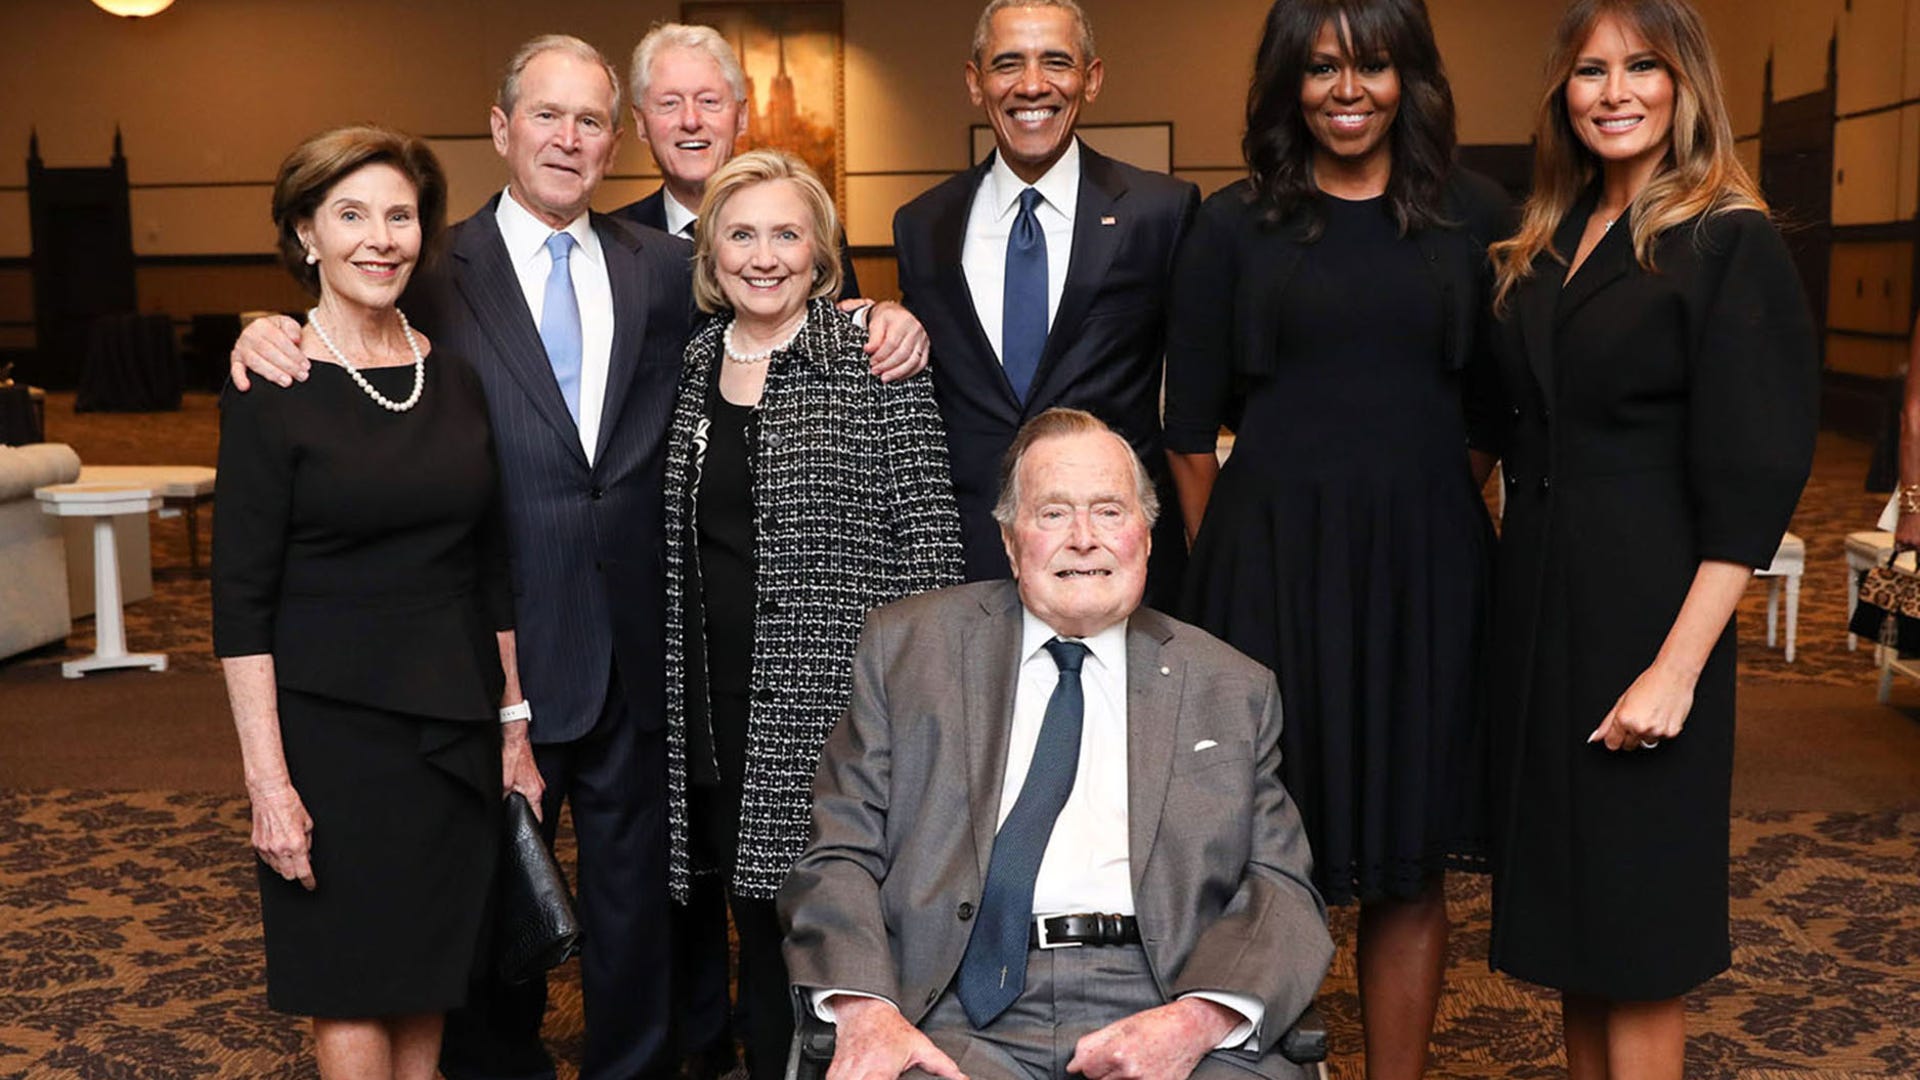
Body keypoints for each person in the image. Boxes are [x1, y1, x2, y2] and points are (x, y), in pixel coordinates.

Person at [228, 35, 692, 1080]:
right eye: (544, 115)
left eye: (589, 120)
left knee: (632, 919)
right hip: (460, 667)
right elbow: (332, 334)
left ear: (614, 141)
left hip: (621, 648)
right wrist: (257, 330)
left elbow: (771, 311)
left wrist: (876, 314)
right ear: (500, 128)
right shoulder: (428, 267)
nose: (566, 139)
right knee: (478, 938)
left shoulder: (665, 269)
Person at [1160, 1, 1507, 1074]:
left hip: (1426, 578)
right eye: (1320, 68)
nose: (1347, 90)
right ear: (1289, 85)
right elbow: (1187, 430)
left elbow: (1494, 416)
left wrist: (1420, 516)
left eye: (1374, 65)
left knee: (1411, 862)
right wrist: (1235, 564)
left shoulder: (1476, 214)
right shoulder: (1232, 223)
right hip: (1266, 574)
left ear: (1412, 79)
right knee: (1262, 856)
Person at [780, 409, 1333, 1080]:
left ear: (1145, 537)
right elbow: (838, 854)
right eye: (1053, 514)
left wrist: (1198, 1019)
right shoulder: (908, 651)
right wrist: (866, 1010)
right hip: (955, 1011)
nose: (1084, 539)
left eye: (1109, 512)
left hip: (1166, 995)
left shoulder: (1230, 685)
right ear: (1011, 543)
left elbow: (1281, 886)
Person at [1483, 0, 1817, 1074]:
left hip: (1650, 614)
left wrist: (1676, 670)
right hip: (1542, 616)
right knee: (1576, 943)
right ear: (1563, 92)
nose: (1615, 91)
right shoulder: (1545, 241)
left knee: (1638, 941)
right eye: (1591, 70)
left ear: (1685, 85)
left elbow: (1755, 482)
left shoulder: (1728, 237)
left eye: (1643, 66)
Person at [213, 124, 529, 1080]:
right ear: (306, 233)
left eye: (400, 216)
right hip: (331, 741)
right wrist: (269, 786)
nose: (380, 239)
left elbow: (490, 571)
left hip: (452, 733)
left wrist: (512, 728)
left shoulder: (455, 378)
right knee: (350, 982)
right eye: (351, 215)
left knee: (428, 976)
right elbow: (240, 601)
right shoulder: (272, 383)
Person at [660, 149, 964, 1080]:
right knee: (752, 930)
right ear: (711, 255)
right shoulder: (696, 362)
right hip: (718, 710)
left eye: (787, 234)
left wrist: (922, 720)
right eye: (740, 235)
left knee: (837, 936)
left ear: (822, 253)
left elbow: (933, 553)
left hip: (840, 714)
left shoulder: (873, 356)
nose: (764, 257)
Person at [893, 0, 1199, 609]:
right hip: (964, 558)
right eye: (1008, 64)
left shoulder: (1160, 212)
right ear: (975, 83)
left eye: (1056, 62)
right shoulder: (922, 223)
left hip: (1111, 557)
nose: (1032, 85)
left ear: (1092, 78)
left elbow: (1195, 396)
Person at [617, 22, 932, 377]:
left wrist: (878, 314)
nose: (691, 120)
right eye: (669, 103)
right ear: (640, 122)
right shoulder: (613, 242)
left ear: (742, 117)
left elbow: (840, 327)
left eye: (709, 101)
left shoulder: (811, 232)